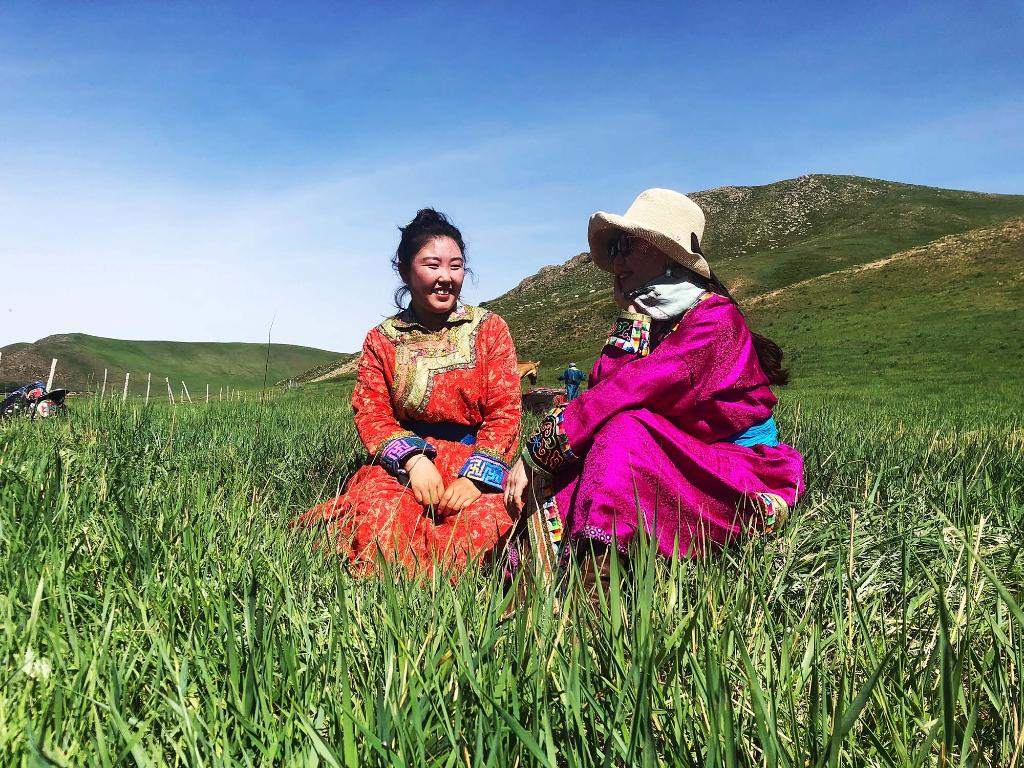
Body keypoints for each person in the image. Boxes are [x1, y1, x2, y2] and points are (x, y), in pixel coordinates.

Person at [504, 188, 804, 583]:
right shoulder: (652, 317)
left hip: (729, 470)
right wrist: (631, 320)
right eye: (615, 248)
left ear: (666, 253)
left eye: (627, 245)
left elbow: (627, 391)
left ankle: (595, 589)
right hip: (669, 454)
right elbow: (603, 387)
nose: (617, 261)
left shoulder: (714, 320)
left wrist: (537, 454)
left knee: (623, 431)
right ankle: (534, 585)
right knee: (575, 474)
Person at [297, 209, 522, 575]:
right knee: (381, 518)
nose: (446, 277)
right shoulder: (382, 340)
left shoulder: (490, 330)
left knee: (488, 524)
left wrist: (476, 478)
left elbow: (505, 411)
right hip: (405, 467)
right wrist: (414, 462)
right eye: (432, 265)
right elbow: (372, 413)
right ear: (405, 271)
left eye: (456, 266)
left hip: (472, 460)